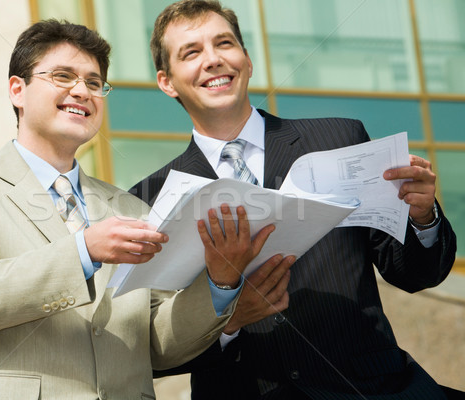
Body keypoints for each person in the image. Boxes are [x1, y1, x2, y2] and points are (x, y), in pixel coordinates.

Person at [0, 19, 287, 399]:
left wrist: (220, 285)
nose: (82, 90)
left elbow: (155, 345)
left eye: (94, 83)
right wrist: (83, 251)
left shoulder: (130, 207)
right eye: (63, 76)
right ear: (17, 90)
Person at [129, 1, 459, 399]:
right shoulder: (148, 197)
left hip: (372, 389)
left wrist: (423, 218)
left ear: (247, 61)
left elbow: (413, 274)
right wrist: (228, 321)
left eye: (224, 43)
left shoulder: (340, 139)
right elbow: (155, 350)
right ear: (167, 82)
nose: (213, 60)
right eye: (192, 52)